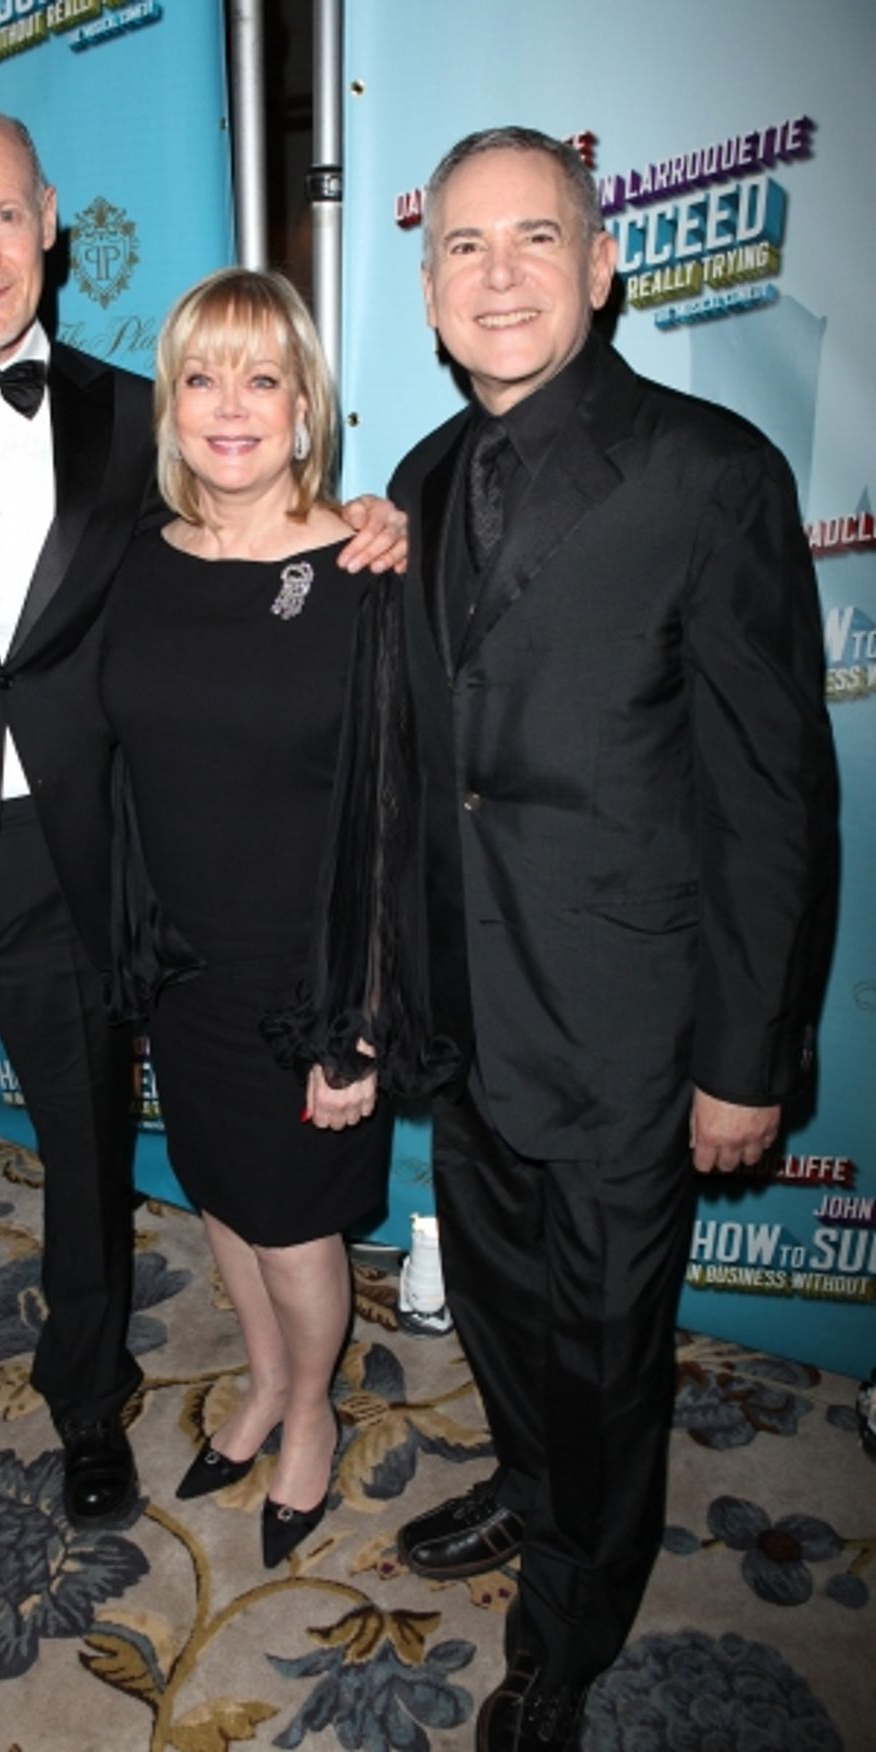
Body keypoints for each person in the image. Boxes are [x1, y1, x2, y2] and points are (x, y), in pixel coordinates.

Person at [0, 100, 406, 1599]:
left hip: (85, 877)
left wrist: (381, 519)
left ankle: (88, 1405)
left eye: (3, 216)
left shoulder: (133, 415)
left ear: (51, 218)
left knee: (94, 1170)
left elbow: (251, 543)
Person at [389, 127, 838, 1750]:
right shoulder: (425, 482)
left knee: (604, 1354)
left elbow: (775, 796)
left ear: (601, 266)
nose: (496, 274)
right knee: (510, 1323)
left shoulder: (711, 472)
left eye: (533, 240)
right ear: (427, 284)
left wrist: (743, 1061)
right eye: (461, 246)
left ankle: (572, 1619)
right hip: (471, 1015)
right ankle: (530, 1490)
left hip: (627, 1023)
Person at [100, 268, 445, 1567]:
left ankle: (312, 1411)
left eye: (263, 377)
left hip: (312, 982)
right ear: (171, 405)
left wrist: (355, 1021)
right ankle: (259, 1381)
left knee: (299, 1232)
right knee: (221, 1201)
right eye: (201, 375)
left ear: (306, 406)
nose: (229, 405)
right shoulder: (138, 560)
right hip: (182, 968)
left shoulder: (363, 572)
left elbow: (398, 818)